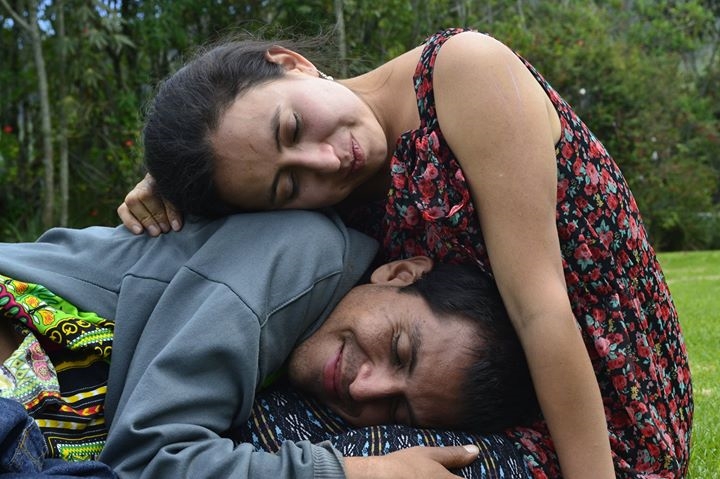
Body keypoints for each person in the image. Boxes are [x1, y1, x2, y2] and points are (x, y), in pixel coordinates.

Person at [119, 27, 692, 479]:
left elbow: (539, 310)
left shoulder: (465, 72)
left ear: (292, 62)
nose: (325, 161)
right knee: (236, 437)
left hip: (606, 424)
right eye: (288, 184)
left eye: (291, 127)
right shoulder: (308, 186)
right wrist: (175, 181)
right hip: (435, 395)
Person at [0, 209, 536, 479]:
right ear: (398, 274)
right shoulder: (305, 256)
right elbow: (148, 461)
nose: (364, 387)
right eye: (398, 350)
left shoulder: (302, 351)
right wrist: (359, 472)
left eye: (397, 410)